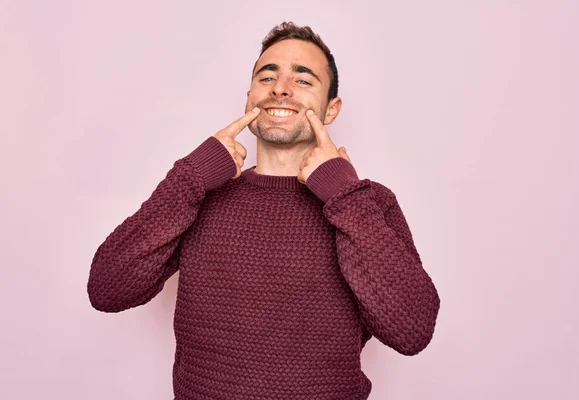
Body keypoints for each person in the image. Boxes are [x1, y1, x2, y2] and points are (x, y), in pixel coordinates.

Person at [87, 21, 440, 400]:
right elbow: (108, 290)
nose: (281, 88)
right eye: (267, 76)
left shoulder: (366, 203)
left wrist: (342, 193)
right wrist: (189, 178)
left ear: (331, 109)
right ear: (250, 98)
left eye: (303, 80)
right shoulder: (200, 194)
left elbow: (412, 330)